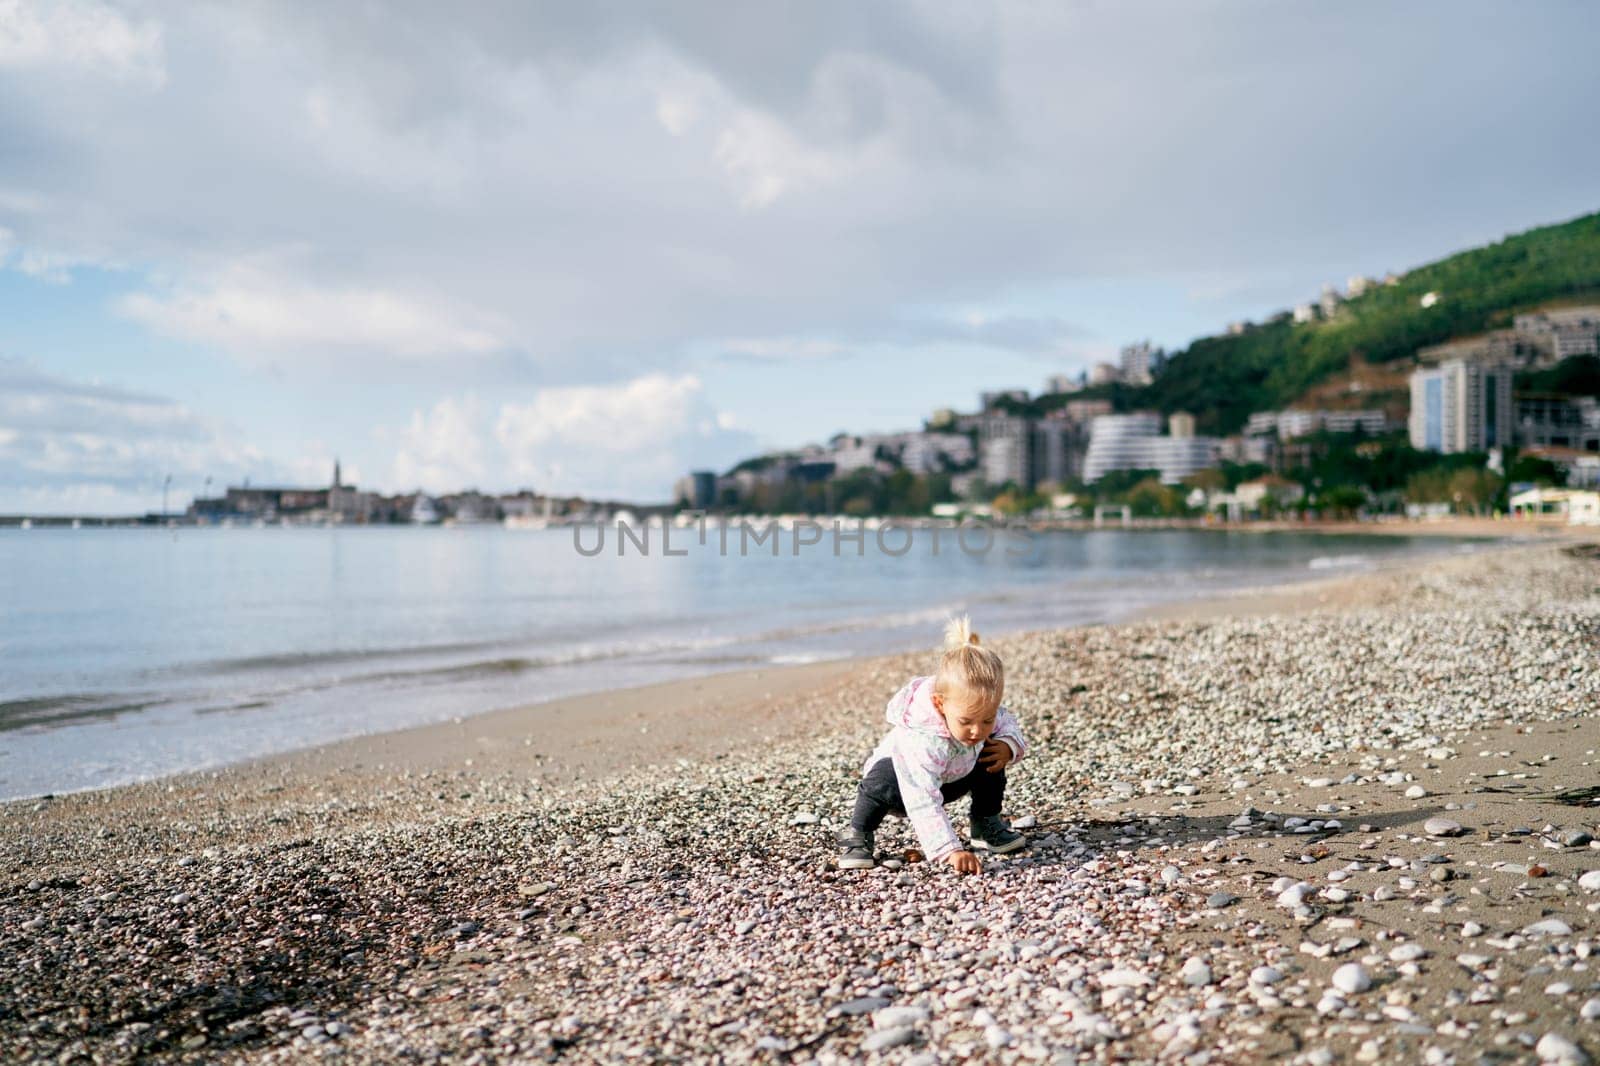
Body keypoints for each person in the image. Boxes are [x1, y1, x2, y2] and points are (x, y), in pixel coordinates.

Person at [837, 616, 1028, 873]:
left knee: (993, 750)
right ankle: (858, 834)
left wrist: (1009, 745)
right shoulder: (925, 740)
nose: (977, 729)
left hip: (952, 777)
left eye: (986, 718)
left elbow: (1006, 721)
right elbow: (922, 798)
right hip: (903, 787)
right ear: (940, 704)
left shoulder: (978, 713)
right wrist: (949, 850)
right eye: (966, 721)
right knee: (878, 782)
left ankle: (985, 823)